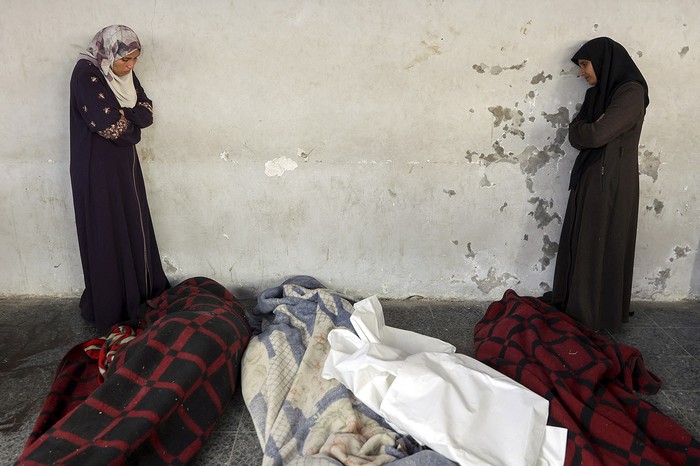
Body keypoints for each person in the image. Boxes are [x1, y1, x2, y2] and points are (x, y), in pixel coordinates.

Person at [70, 25, 170, 333]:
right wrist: (130, 122)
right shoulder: (87, 72)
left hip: (124, 164)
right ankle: (113, 304)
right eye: (125, 60)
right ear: (109, 51)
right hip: (96, 166)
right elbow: (107, 123)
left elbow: (147, 112)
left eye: (134, 60)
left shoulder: (121, 73)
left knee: (131, 223)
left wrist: (128, 120)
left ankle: (139, 294)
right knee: (107, 228)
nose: (129, 67)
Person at [551, 37, 649, 332]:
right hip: (591, 175)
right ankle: (578, 306)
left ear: (604, 61)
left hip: (613, 181)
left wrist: (589, 130)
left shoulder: (630, 93)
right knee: (583, 240)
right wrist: (588, 129)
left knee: (602, 241)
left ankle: (597, 313)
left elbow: (592, 136)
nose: (582, 72)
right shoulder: (598, 96)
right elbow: (578, 134)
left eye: (584, 64)